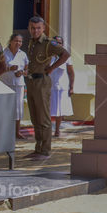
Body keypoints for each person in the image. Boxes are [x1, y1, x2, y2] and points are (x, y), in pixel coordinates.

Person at [24, 16, 70, 161]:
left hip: (42, 82)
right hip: (31, 81)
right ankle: (38, 148)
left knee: (43, 117)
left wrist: (51, 68)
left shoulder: (49, 42)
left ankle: (45, 150)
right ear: (29, 28)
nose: (35, 30)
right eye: (32, 28)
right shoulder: (31, 42)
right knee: (35, 117)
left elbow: (65, 54)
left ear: (43, 28)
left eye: (38, 28)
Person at [0, 32, 29, 139]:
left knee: (18, 108)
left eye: (20, 41)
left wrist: (22, 73)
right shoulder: (3, 53)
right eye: (16, 40)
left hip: (19, 85)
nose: (18, 43)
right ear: (10, 41)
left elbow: (27, 69)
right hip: (5, 84)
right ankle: (5, 132)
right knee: (6, 108)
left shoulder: (23, 54)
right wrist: (9, 69)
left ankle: (17, 132)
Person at [48, 35, 75, 137]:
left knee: (59, 110)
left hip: (61, 87)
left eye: (60, 43)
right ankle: (48, 130)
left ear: (62, 44)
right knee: (48, 109)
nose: (57, 45)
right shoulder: (48, 56)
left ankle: (57, 130)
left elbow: (71, 72)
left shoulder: (67, 57)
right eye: (55, 43)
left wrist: (71, 87)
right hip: (49, 86)